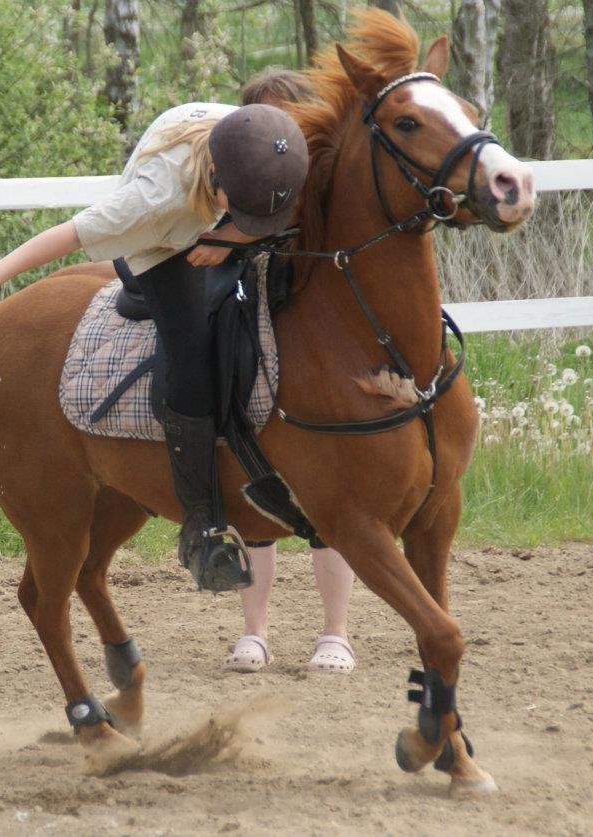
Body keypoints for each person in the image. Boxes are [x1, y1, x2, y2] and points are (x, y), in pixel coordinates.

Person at [0, 101, 308, 595]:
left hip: (220, 186)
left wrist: (233, 234)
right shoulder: (150, 204)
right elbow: (70, 235)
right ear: (215, 180)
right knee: (190, 354)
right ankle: (202, 524)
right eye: (240, 207)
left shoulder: (267, 142)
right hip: (163, 246)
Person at [222, 69, 356, 675]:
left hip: (310, 322)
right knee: (255, 492)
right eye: (262, 118)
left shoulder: (325, 177)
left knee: (331, 497)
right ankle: (255, 631)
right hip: (255, 305)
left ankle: (336, 632)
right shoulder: (235, 166)